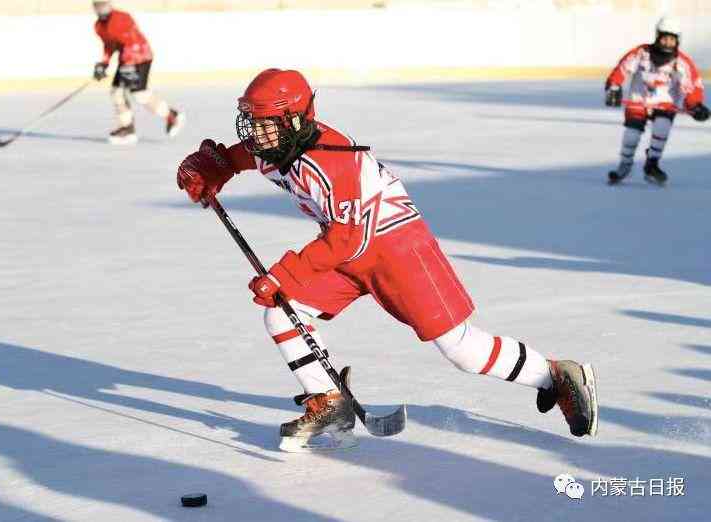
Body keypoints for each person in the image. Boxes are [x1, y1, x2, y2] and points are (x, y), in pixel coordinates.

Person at [175, 69, 598, 452]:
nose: (256, 133)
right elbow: (249, 156)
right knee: (284, 314)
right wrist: (219, 166)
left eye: (266, 123)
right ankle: (330, 402)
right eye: (253, 122)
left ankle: (556, 375)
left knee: (461, 349)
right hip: (347, 245)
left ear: (295, 120)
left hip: (396, 246)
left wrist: (283, 273)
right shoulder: (280, 143)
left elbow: (348, 239)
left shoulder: (329, 163)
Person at [606, 16, 708, 186]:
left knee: (662, 127)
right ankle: (625, 165)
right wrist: (614, 87)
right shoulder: (641, 53)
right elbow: (622, 69)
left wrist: (695, 105)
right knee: (631, 135)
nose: (668, 42)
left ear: (677, 41)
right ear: (657, 36)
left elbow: (691, 86)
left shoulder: (682, 62)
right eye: (664, 37)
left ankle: (652, 164)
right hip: (638, 100)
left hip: (665, 102)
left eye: (672, 39)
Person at [92, 1, 185, 145]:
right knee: (116, 92)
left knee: (139, 94)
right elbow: (109, 46)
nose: (100, 7)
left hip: (141, 57)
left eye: (103, 3)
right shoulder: (99, 26)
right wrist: (104, 64)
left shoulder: (122, 17)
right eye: (97, 4)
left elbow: (133, 40)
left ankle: (172, 116)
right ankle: (127, 128)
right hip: (126, 61)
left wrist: (128, 63)